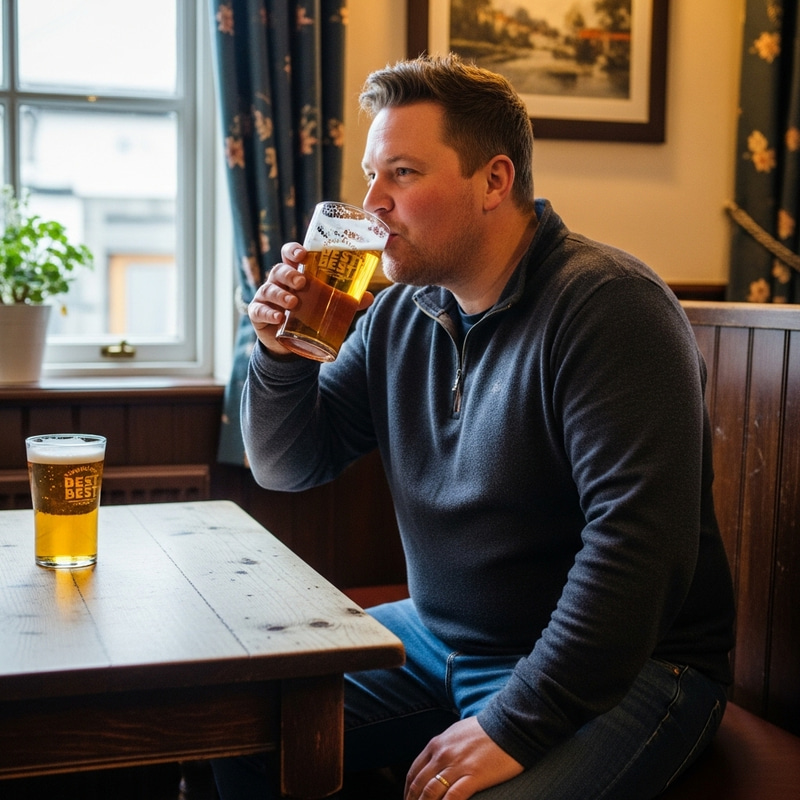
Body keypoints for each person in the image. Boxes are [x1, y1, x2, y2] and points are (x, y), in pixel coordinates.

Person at [212, 54, 735, 800]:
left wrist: (515, 724)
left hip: (630, 667)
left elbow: (638, 549)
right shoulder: (399, 314)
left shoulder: (611, 308)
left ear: (494, 181)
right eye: (370, 175)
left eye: (402, 174)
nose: (373, 203)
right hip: (439, 640)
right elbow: (289, 466)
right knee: (242, 726)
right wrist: (280, 356)